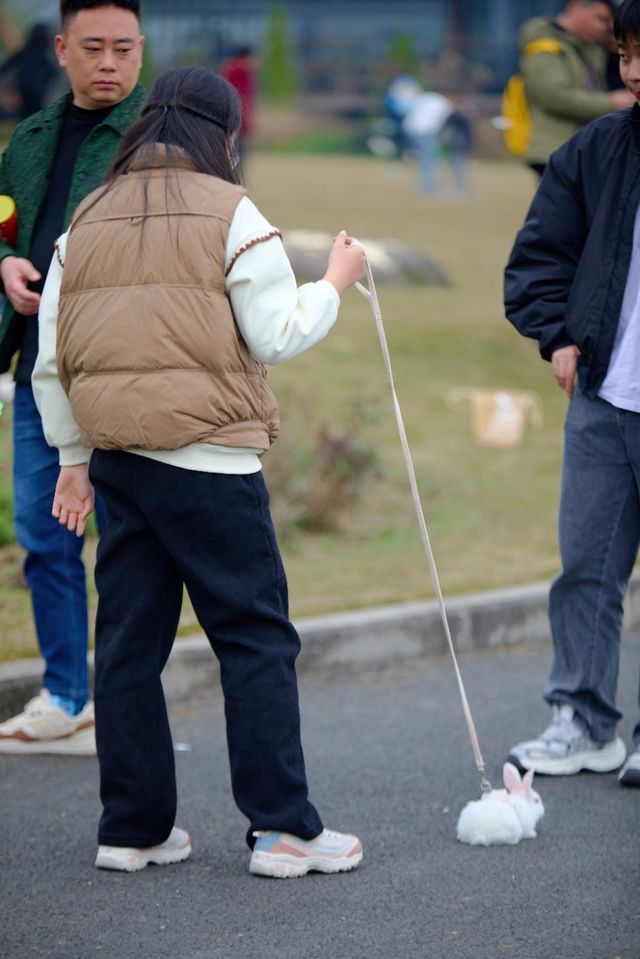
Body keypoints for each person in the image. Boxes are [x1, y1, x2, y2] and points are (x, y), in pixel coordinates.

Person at [32, 66, 367, 876]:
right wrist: (334, 282)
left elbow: (53, 360)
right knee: (252, 639)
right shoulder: (233, 211)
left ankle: (133, 828)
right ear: (225, 133)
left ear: (147, 125)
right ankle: (283, 828)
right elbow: (275, 332)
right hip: (211, 462)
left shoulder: (88, 215)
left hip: (118, 465)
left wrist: (73, 461)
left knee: (127, 647)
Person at [0, 0, 145, 756]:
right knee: (43, 537)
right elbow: (6, 220)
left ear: (141, 48)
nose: (109, 63)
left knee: (132, 544)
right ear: (61, 49)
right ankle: (67, 697)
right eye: (93, 47)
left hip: (128, 373)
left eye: (124, 48)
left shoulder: (165, 135)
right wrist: (5, 264)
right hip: (39, 373)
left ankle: (123, 702)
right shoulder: (29, 137)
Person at [504, 0, 640, 790]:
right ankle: (584, 722)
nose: (633, 70)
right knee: (586, 570)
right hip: (604, 399)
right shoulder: (595, 149)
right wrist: (558, 333)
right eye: (624, 55)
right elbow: (538, 257)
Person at [519, 0, 633, 177]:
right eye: (600, 18)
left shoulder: (589, 47)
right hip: (557, 149)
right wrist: (613, 102)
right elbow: (554, 97)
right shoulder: (544, 47)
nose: (603, 27)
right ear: (576, 7)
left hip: (587, 148)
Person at [0, 23, 57, 120]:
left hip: (23, 86)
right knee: (37, 114)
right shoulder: (43, 54)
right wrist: (44, 84)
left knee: (25, 114)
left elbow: (7, 65)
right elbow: (51, 73)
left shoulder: (26, 50)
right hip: (36, 88)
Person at [221, 45, 256, 167]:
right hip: (239, 120)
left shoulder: (228, 70)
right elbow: (244, 99)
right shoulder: (242, 72)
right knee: (238, 155)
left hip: (229, 119)